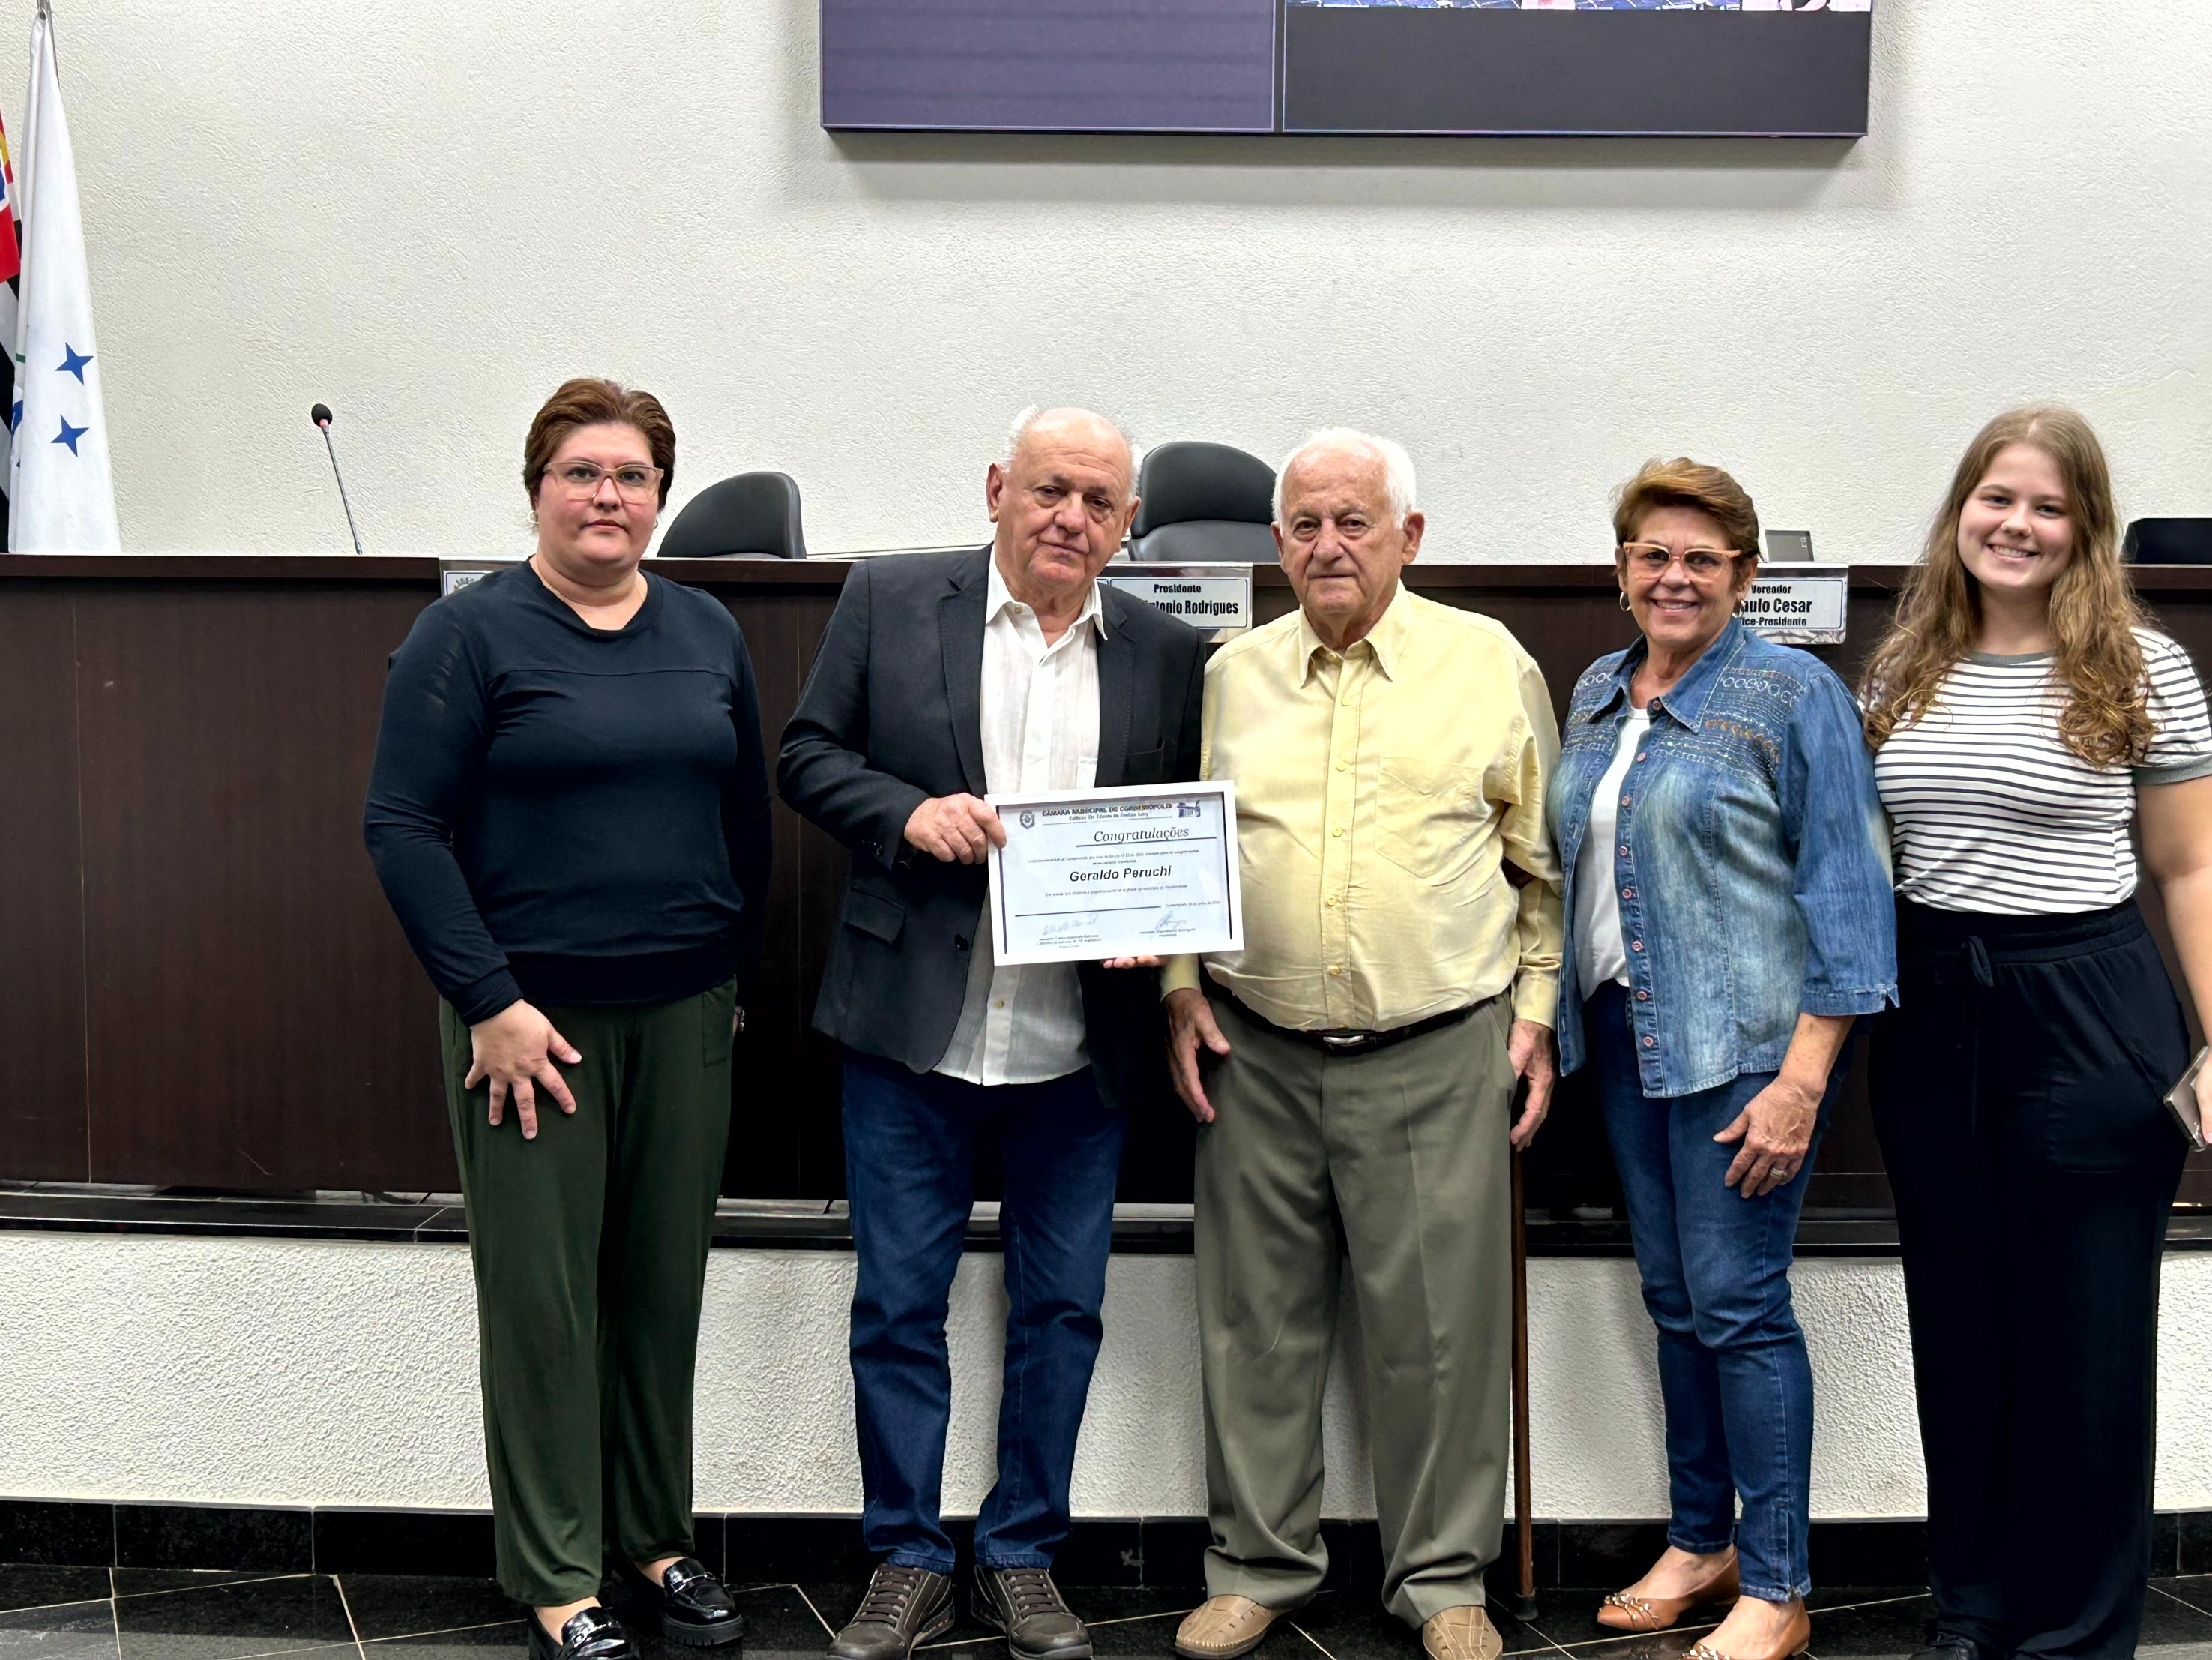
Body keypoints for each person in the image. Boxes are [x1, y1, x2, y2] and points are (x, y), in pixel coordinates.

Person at [777, 407, 1205, 1660]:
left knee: (1062, 1308)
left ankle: (1022, 1554)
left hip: (1078, 1049)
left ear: (1129, 525)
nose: (1071, 517)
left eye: (1100, 500)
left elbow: (1182, 824)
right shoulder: (892, 598)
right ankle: (906, 1558)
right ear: (996, 489)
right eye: (1049, 489)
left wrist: (1158, 922)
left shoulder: (1172, 651)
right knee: (897, 1305)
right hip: (912, 1035)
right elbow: (806, 755)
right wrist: (905, 813)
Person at [364, 378, 768, 1660]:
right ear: (536, 488)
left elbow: (745, 822)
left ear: (661, 496)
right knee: (545, 1304)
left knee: (660, 1293)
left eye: (633, 475)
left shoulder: (706, 628)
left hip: (686, 1013)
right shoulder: (469, 634)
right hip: (528, 1031)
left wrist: (727, 978)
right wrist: (487, 1000)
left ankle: (652, 1540)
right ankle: (555, 1574)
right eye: (582, 471)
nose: (608, 495)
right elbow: (401, 826)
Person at [1162, 430, 1561, 1660]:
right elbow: (1185, 848)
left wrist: (1537, 1014)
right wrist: (1179, 984)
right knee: (1254, 1324)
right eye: (1305, 524)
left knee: (1439, 1335)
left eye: (1354, 521)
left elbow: (1541, 867)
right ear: (1276, 541)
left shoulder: (1488, 662)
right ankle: (1258, 1565)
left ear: (1409, 536)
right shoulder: (1232, 672)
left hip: (1436, 1046)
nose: (1327, 545)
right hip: (1255, 1049)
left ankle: (1442, 1580)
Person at [1861, 408, 2212, 1660]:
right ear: (1961, 510)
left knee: (2086, 1346)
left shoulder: (2140, 667)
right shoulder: (1901, 667)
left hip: (2090, 1008)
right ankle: (1974, 1605)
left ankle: (2075, 1632)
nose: (2017, 524)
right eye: (1996, 498)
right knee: (1960, 1330)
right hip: (1933, 1012)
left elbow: (2190, 868)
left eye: (2048, 506)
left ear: (2086, 528)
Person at [1546, 459, 1896, 1660]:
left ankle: (1780, 1583)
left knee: (1740, 1304)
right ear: (1622, 569)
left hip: (1748, 1054)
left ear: (1744, 575)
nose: (1676, 576)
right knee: (1676, 1300)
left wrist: (1803, 1082)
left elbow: (1849, 893)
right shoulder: (1599, 689)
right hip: (1625, 1038)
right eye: (1654, 554)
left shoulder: (1795, 691)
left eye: (1703, 558)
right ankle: (1701, 1542)